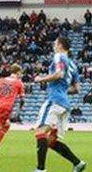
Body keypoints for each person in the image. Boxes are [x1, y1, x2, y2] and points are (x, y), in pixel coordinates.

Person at [32, 37, 86, 172]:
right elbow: (77, 89)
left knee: (40, 132)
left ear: (60, 45)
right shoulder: (73, 65)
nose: (53, 46)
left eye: (55, 43)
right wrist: (62, 90)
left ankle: (40, 169)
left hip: (55, 100)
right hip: (64, 105)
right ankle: (77, 163)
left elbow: (59, 74)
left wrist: (41, 79)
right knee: (50, 141)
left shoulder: (59, 56)